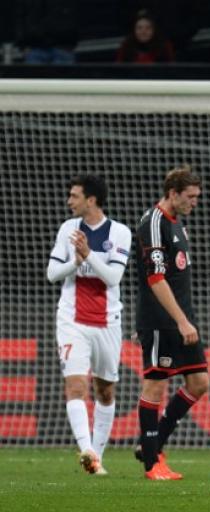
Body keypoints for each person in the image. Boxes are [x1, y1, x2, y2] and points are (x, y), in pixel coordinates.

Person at [46, 175, 131, 475]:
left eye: (75, 196)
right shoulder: (68, 229)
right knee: (75, 386)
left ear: (91, 200)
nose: (69, 201)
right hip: (72, 320)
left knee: (105, 391)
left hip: (108, 322)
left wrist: (88, 255)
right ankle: (88, 452)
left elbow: (113, 278)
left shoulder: (119, 232)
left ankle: (98, 455)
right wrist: (76, 262)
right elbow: (52, 274)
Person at [133, 166, 206, 480]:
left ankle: (152, 444)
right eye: (190, 196)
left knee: (199, 382)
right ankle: (152, 464)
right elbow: (155, 278)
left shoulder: (178, 223)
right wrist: (179, 321)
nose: (194, 202)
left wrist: (185, 320)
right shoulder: (153, 222)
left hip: (181, 318)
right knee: (155, 385)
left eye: (197, 196)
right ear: (173, 193)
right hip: (161, 319)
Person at [16, 0, 79, 65]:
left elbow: (76, 12)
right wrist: (23, 46)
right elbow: (20, 16)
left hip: (63, 46)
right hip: (34, 47)